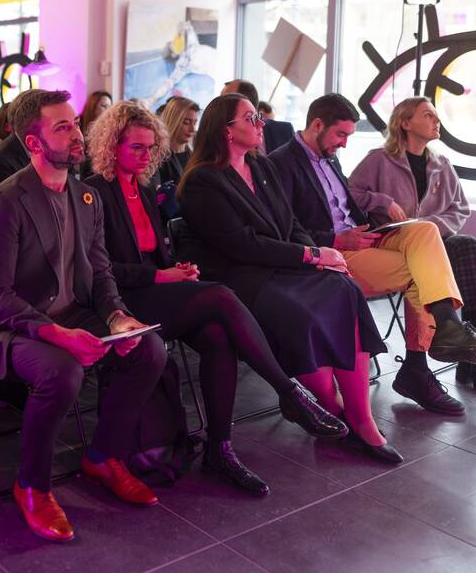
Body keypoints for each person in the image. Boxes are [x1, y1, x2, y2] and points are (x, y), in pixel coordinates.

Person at [85, 102, 345, 495]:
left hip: (157, 292)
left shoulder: (145, 190)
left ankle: (219, 449)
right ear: (111, 146)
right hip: (121, 302)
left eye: (151, 148)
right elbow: (98, 270)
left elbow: (157, 254)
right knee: (221, 295)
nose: (146, 156)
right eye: (136, 147)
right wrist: (160, 275)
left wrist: (177, 269)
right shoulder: (94, 193)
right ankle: (289, 392)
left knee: (219, 337)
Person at [0, 88, 167, 543]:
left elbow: (101, 272)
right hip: (11, 325)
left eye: (75, 124)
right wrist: (56, 333)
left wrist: (117, 318)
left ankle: (105, 456)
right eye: (63, 127)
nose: (78, 134)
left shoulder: (86, 196)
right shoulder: (5, 200)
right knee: (62, 371)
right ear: (34, 143)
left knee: (148, 349)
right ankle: (32, 485)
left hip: (71, 312)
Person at [176, 94, 399, 464]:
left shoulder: (261, 166)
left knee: (343, 289)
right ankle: (330, 408)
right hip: (243, 278)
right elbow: (242, 246)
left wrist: (318, 255)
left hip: (282, 266)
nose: (261, 123)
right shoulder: (204, 181)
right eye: (251, 118)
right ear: (226, 130)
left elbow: (291, 223)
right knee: (302, 313)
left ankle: (361, 417)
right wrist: (310, 255)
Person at [269, 94, 476, 417]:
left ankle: (448, 327)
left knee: (425, 231)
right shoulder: (281, 163)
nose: (344, 143)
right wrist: (336, 238)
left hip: (364, 238)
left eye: (349, 136)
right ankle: (419, 367)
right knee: (423, 272)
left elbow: (348, 205)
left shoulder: (330, 157)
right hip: (332, 251)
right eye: (341, 135)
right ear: (317, 125)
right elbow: (285, 227)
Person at [349, 97, 476, 394]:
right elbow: (349, 192)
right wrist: (383, 202)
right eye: (428, 115)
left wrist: (430, 227)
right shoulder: (378, 160)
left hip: (433, 241)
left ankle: (472, 352)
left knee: (472, 252)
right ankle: (474, 364)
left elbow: (460, 209)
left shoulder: (441, 164)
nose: (437, 121)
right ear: (405, 123)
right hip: (392, 243)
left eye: (436, 116)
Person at [222, 79, 293, 153]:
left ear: (247, 103)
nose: (261, 123)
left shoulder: (285, 131)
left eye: (225, 99)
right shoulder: (221, 137)